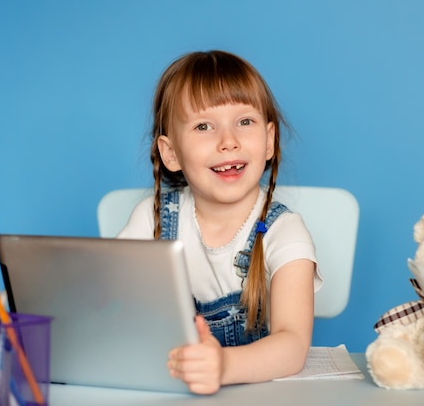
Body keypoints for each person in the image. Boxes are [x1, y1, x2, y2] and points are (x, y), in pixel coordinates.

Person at [118, 50, 321, 394]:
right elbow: (108, 300)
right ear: (171, 153)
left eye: (244, 121)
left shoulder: (283, 231)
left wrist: (223, 366)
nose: (228, 141)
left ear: (270, 140)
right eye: (203, 126)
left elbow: (292, 346)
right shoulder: (151, 220)